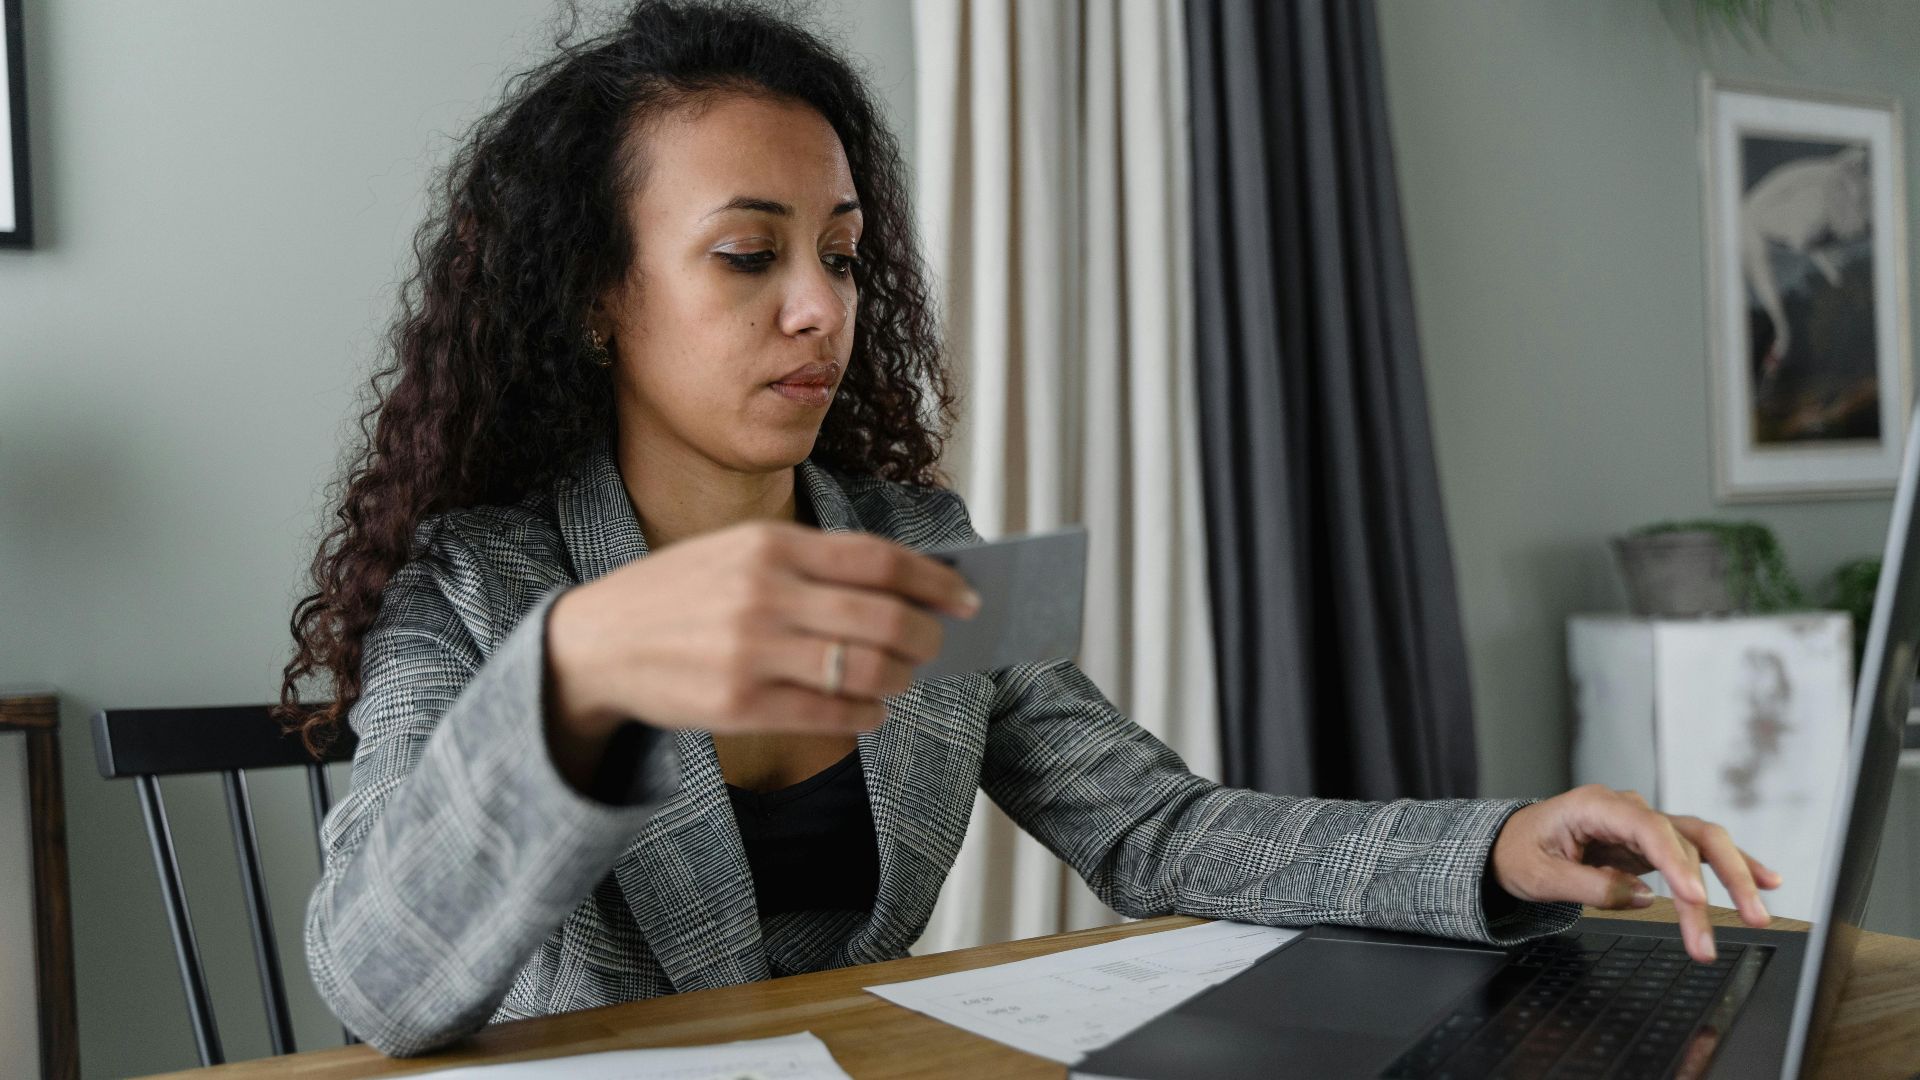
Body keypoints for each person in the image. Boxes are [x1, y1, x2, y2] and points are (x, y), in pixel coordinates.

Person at [281, 0, 1780, 1058]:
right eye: (747, 255)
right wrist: (578, 673)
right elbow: (375, 980)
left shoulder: (921, 550)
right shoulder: (478, 587)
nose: (820, 309)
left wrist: (1500, 848)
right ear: (598, 296)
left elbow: (1159, 828)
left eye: (846, 257)